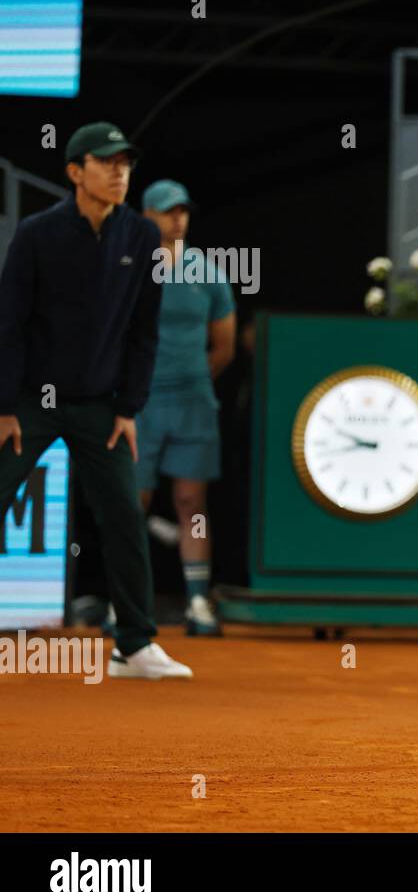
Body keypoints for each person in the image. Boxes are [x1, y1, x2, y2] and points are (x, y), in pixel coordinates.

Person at [0, 121, 193, 679]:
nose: (118, 172)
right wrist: (5, 404)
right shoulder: (36, 234)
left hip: (100, 407)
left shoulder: (140, 236)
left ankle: (133, 646)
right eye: (106, 162)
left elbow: (143, 329)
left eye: (125, 164)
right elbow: (8, 323)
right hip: (30, 402)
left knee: (124, 518)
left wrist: (129, 407)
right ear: (74, 172)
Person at [138, 179, 236, 636]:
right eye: (166, 210)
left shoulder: (211, 271)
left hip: (195, 402)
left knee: (191, 502)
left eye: (183, 211)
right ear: (146, 217)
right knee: (132, 502)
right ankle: (128, 603)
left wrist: (189, 380)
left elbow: (224, 346)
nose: (177, 218)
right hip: (139, 404)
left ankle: (198, 603)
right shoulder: (127, 268)